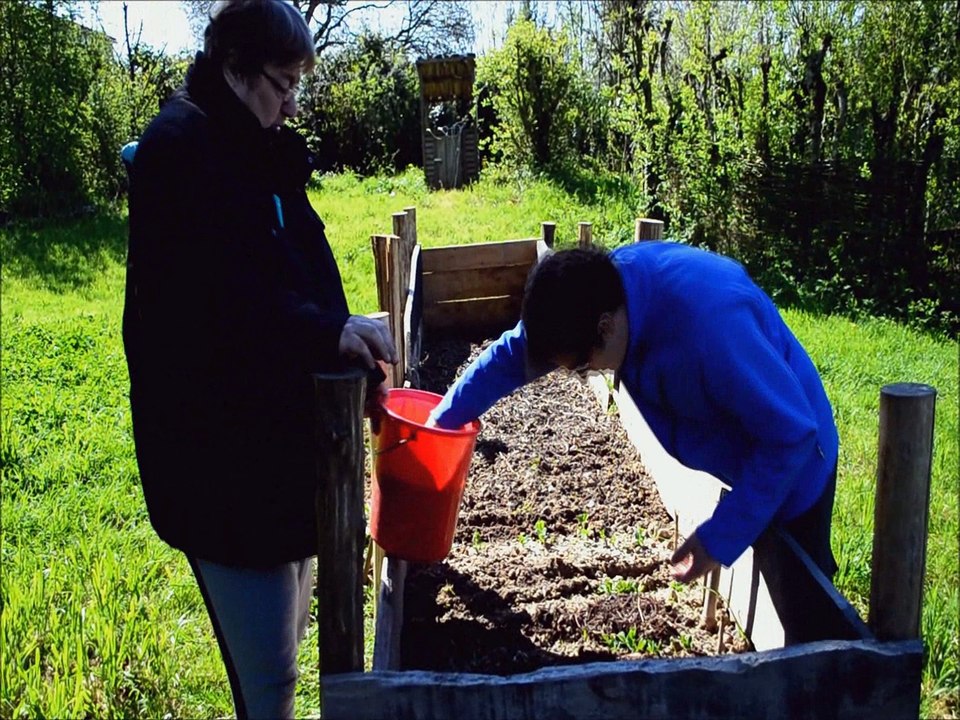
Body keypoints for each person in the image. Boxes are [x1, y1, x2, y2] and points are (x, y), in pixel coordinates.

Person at [121, 2, 396, 717]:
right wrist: (320, 334)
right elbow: (215, 304)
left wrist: (340, 332)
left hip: (273, 445)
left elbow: (292, 266)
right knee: (268, 682)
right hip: (218, 462)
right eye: (283, 82)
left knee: (288, 635)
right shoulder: (179, 150)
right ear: (235, 68)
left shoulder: (252, 144)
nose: (293, 101)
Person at [429, 243, 839, 585]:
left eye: (583, 367)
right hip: (741, 450)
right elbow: (510, 357)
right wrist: (437, 426)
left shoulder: (711, 329)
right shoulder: (590, 297)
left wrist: (721, 536)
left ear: (605, 328)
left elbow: (790, 434)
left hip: (797, 465)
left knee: (804, 609)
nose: (586, 374)